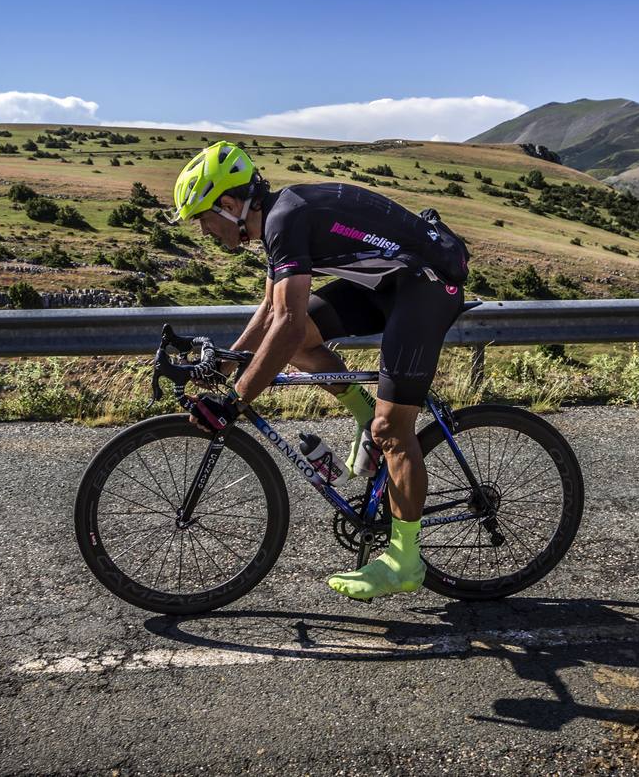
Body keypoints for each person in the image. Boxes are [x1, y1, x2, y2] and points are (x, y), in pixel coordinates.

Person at [169, 140, 470, 601]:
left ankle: (403, 561)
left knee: (394, 430)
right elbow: (273, 310)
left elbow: (284, 325)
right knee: (304, 339)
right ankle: (363, 411)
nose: (204, 230)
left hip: (425, 285)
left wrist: (234, 401)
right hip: (387, 283)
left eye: (203, 218)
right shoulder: (276, 217)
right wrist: (234, 358)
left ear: (228, 205)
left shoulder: (284, 219)